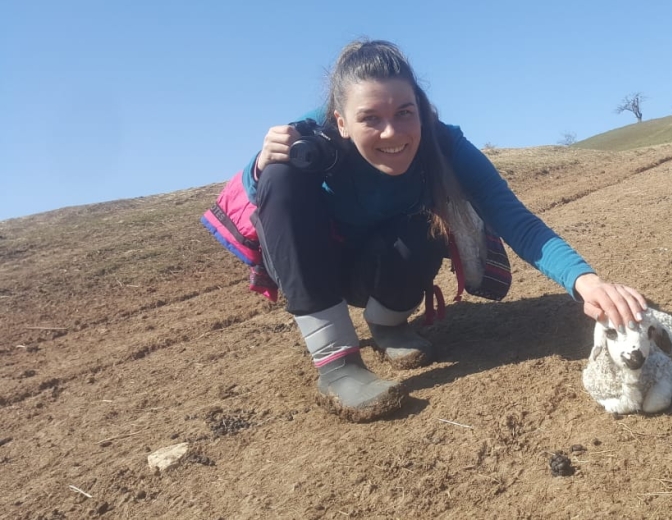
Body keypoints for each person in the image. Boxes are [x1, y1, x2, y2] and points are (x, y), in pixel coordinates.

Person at [217, 39, 648, 422]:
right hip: (317, 268)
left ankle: (387, 326)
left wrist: (586, 282)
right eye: (370, 118)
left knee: (429, 224)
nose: (392, 133)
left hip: (380, 267)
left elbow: (512, 216)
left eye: (404, 113)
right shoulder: (311, 142)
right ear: (341, 122)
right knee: (280, 175)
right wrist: (260, 165)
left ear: (419, 108)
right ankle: (338, 365)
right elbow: (266, 202)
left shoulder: (444, 144)